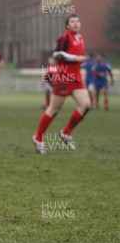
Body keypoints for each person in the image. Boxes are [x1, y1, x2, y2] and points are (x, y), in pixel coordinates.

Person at [32, 14, 90, 154]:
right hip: (63, 77)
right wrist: (76, 58)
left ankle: (65, 133)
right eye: (72, 21)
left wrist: (79, 61)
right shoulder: (65, 37)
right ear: (67, 26)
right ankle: (38, 138)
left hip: (75, 78)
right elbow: (57, 54)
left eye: (77, 20)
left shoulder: (80, 38)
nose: (76, 23)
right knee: (54, 109)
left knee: (86, 105)